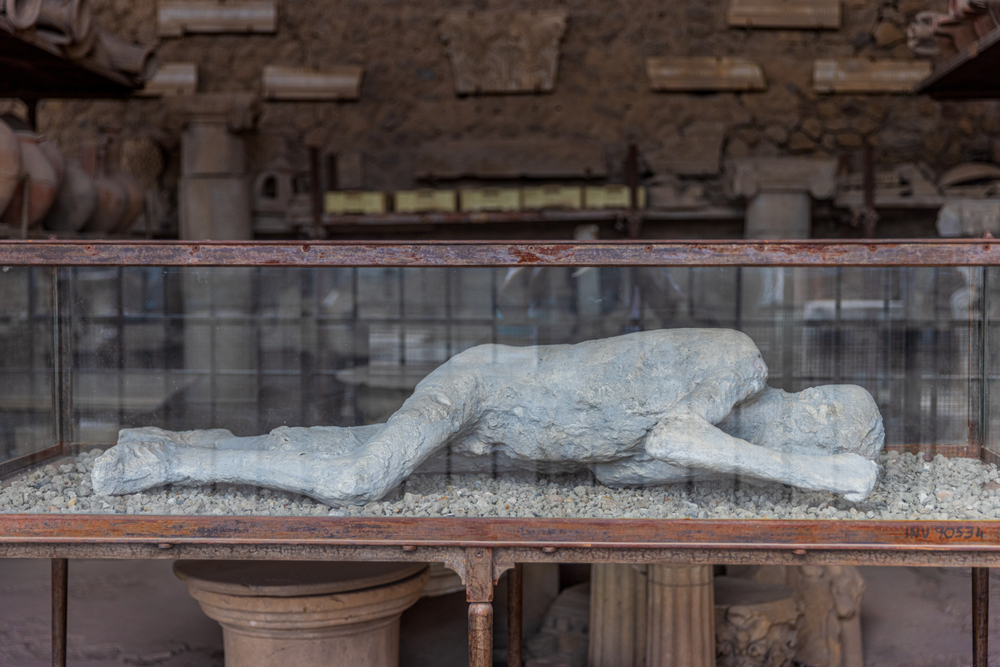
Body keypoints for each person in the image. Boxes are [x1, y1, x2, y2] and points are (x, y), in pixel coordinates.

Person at [91, 329, 884, 507]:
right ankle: (169, 467)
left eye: (821, 431)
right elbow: (672, 433)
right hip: (490, 384)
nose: (806, 421)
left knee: (365, 448)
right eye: (821, 415)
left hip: (504, 425)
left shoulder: (709, 435)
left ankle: (196, 442)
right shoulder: (737, 360)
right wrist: (814, 476)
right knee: (361, 480)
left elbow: (617, 463)